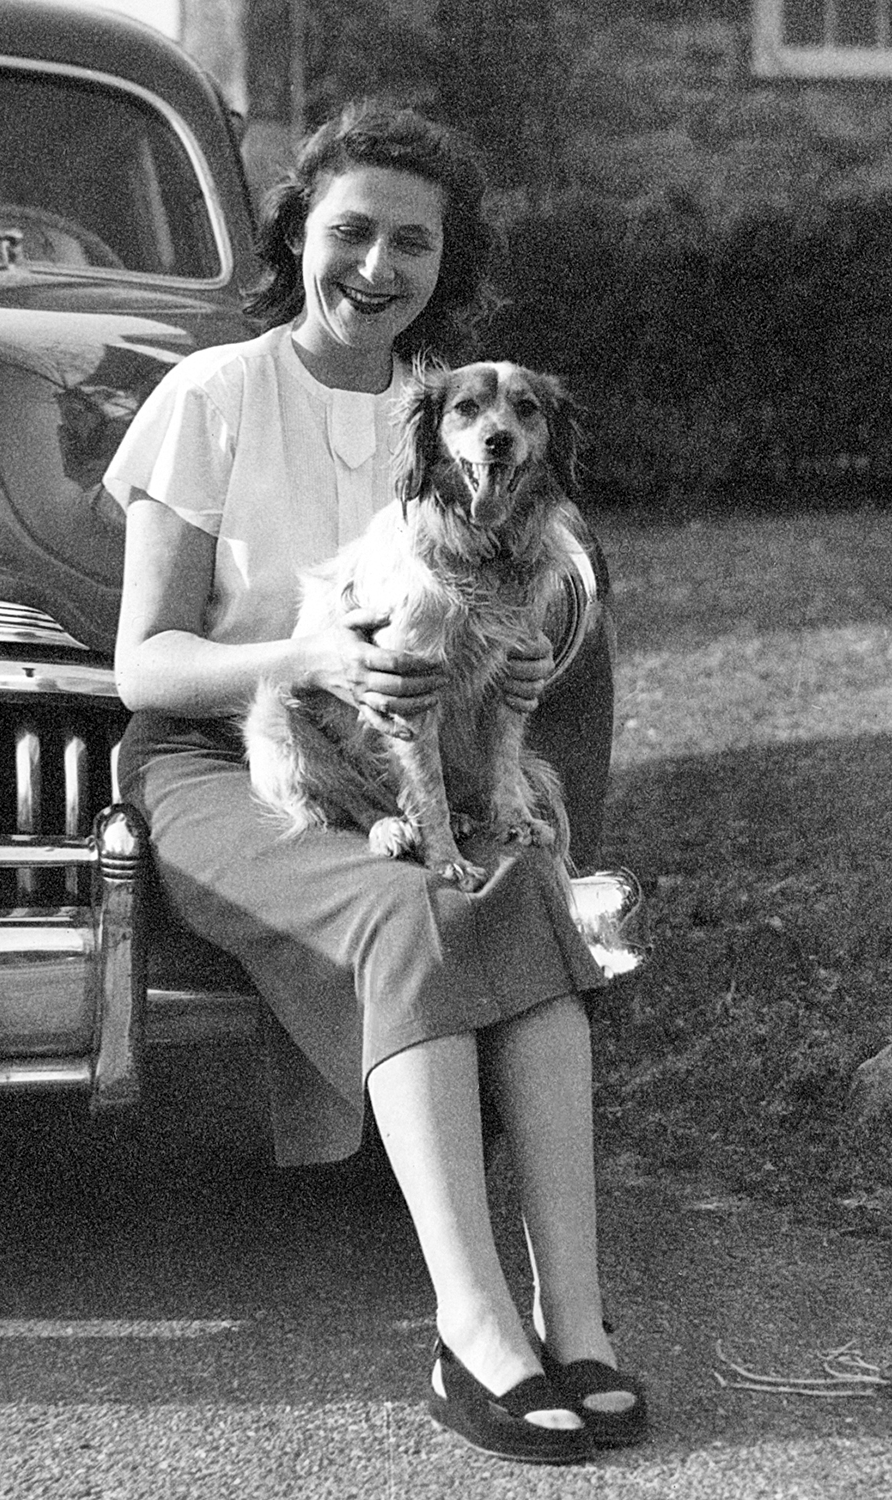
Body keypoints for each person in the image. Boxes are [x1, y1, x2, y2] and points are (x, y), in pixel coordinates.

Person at [106, 100, 647, 1465]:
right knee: (411, 915)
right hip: (236, 760)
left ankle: (576, 1324)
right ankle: (473, 1338)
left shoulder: (467, 409)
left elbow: (542, 596)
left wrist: (510, 720)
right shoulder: (212, 397)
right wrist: (311, 657)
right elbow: (143, 666)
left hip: (428, 761)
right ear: (300, 236)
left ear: (442, 264)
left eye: (414, 242)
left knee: (520, 907)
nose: (378, 265)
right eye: (352, 230)